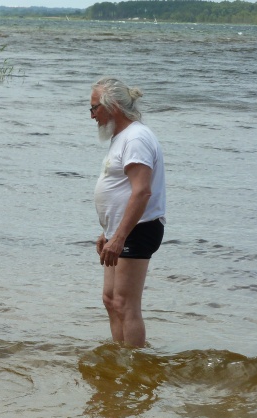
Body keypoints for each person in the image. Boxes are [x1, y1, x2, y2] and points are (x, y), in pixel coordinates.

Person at [90, 77, 166, 348]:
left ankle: (135, 366)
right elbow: (122, 190)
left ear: (113, 108)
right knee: (111, 300)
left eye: (94, 108)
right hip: (122, 230)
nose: (92, 116)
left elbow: (142, 191)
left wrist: (119, 236)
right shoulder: (122, 137)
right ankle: (121, 359)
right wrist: (107, 231)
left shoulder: (136, 138)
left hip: (138, 229)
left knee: (125, 303)